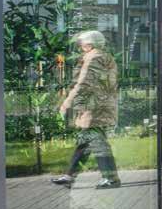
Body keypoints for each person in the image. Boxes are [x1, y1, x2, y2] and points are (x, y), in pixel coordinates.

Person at [52, 30, 121, 188]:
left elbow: (83, 83)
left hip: (95, 107)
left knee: (98, 143)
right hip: (98, 105)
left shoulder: (94, 58)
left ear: (90, 44)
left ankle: (111, 179)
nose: (80, 46)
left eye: (82, 43)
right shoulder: (101, 56)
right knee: (84, 141)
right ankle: (69, 175)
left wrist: (67, 103)